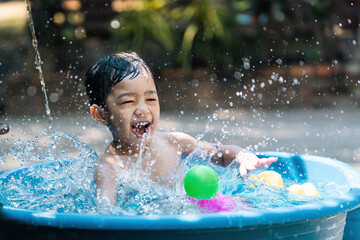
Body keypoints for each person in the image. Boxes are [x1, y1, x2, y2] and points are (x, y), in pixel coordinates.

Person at [84, 52, 277, 205]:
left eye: (150, 99)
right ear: (100, 115)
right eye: (128, 101)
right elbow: (107, 215)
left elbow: (220, 153)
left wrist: (242, 156)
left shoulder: (175, 142)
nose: (143, 109)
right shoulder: (108, 168)